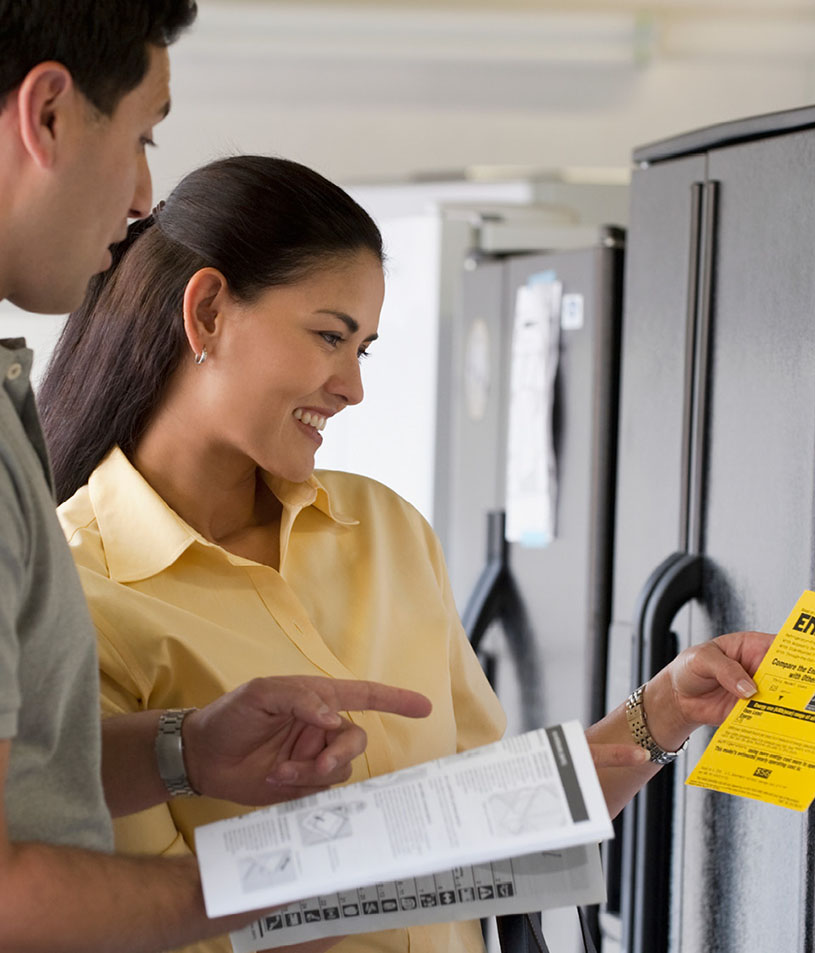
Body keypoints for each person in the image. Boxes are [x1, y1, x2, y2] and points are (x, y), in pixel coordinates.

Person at [38, 152, 774, 953]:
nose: (353, 386)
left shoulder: (382, 527)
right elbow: (147, 926)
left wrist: (666, 710)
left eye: (365, 349)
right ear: (209, 311)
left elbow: (498, 825)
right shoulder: (77, 591)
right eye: (330, 336)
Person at [0, 5, 433, 952]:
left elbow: (34, 785)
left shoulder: (388, 526)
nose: (141, 194)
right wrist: (314, 871)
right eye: (143, 135)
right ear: (47, 115)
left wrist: (184, 749)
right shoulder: (89, 566)